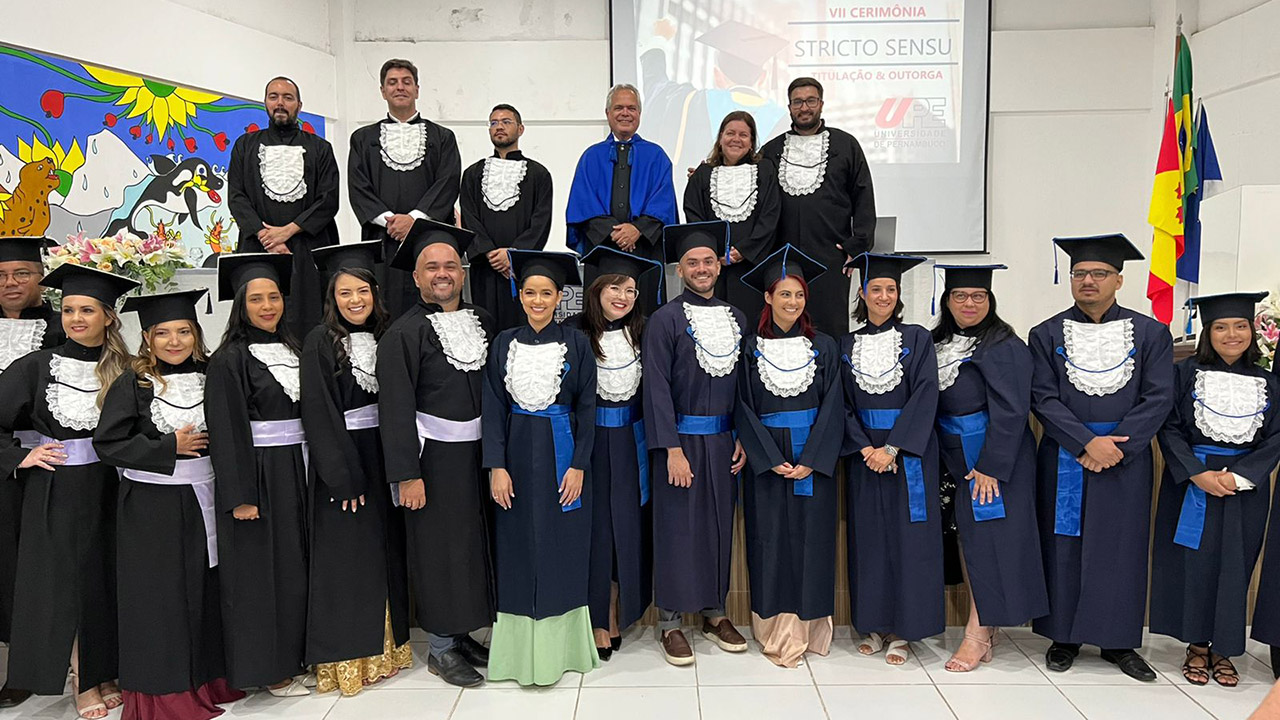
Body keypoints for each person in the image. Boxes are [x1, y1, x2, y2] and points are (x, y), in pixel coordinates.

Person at [94, 288, 246, 720]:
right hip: (151, 506)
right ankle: (163, 695)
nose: (175, 341)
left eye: (184, 332)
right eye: (163, 333)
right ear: (147, 338)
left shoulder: (213, 374)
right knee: (159, 601)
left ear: (197, 335)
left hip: (207, 500)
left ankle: (209, 679)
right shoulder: (135, 384)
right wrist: (168, 446)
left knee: (203, 593)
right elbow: (108, 444)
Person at [1029, 234, 1174, 681]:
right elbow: (1042, 397)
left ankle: (1119, 642)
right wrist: (1084, 443)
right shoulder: (1046, 333)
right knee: (1064, 544)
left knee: (1121, 545)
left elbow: (1158, 398)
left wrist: (1118, 447)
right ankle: (1064, 636)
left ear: (1119, 280)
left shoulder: (1151, 332)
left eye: (1099, 274)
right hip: (1066, 455)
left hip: (1125, 459)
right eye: (1080, 274)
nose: (1088, 281)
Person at [0, 263, 138, 718]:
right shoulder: (35, 367)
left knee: (109, 580)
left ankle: (109, 668)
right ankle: (83, 676)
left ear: (109, 317)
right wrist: (22, 456)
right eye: (69, 310)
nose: (76, 318)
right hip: (59, 491)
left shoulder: (127, 368)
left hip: (113, 486)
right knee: (72, 585)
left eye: (87, 310)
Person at [377, 221, 494, 688]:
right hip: (432, 459)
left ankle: (462, 632)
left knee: (468, 546)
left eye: (450, 265)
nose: (442, 273)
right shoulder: (402, 335)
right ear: (416, 278)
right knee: (437, 551)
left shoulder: (482, 320)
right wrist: (407, 474)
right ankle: (441, 647)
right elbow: (396, 410)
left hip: (479, 456)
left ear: (462, 273)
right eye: (432, 267)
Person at [482, 249, 599, 685]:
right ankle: (516, 655)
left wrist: (579, 465)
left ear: (559, 297)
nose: (537, 300)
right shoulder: (503, 342)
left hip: (562, 456)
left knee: (560, 548)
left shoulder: (577, 343)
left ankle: (561, 650)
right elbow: (493, 407)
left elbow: (587, 408)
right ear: (520, 295)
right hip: (514, 455)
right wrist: (496, 465)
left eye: (545, 293)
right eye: (529, 292)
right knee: (516, 549)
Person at [300, 240, 412, 695]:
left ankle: (387, 649)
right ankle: (348, 659)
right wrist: (342, 476)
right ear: (332, 297)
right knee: (347, 560)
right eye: (345, 293)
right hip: (345, 462)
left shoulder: (389, 334)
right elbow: (320, 415)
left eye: (362, 291)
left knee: (385, 551)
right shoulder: (319, 341)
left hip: (385, 452)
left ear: (375, 292)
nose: (355, 301)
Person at [1152, 292, 1280, 687]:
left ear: (1251, 332)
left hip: (1244, 486)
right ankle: (1197, 646)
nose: (1231, 335)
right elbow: (1168, 426)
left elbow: (1276, 437)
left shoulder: (1270, 382)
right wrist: (1196, 473)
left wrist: (1240, 476)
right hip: (1192, 481)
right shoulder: (1183, 373)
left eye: (1240, 326)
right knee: (1194, 563)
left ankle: (1226, 647)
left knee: (1236, 563)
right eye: (1221, 327)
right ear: (1208, 332)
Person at [929, 264, 1049, 672]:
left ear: (990, 300)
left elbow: (1013, 410)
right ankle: (986, 625)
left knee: (992, 542)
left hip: (991, 459)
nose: (969, 303)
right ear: (947, 301)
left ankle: (978, 634)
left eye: (978, 296)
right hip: (952, 457)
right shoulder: (937, 342)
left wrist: (991, 466)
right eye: (961, 296)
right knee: (970, 541)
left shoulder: (1004, 344)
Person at [204, 253, 311, 696]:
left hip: (296, 468)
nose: (267, 306)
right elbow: (226, 432)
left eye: (273, 297)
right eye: (256, 300)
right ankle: (265, 670)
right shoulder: (229, 359)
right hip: (259, 475)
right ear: (241, 307)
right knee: (256, 577)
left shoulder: (295, 348)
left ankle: (293, 656)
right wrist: (241, 495)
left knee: (292, 568)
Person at [643, 220, 749, 666]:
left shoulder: (737, 317)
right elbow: (657, 388)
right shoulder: (665, 320)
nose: (702, 268)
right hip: (681, 443)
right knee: (677, 528)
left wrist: (742, 435)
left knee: (718, 527)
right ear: (680, 270)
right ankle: (669, 621)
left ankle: (713, 611)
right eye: (693, 262)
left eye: (708, 261)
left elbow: (744, 385)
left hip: (723, 441)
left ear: (720, 265)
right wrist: (671, 449)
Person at [734, 245, 843, 668]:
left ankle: (812, 630)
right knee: (770, 542)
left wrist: (813, 458)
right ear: (767, 298)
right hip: (768, 460)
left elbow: (835, 406)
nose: (792, 302)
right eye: (784, 294)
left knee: (813, 541)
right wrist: (768, 455)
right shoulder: (749, 350)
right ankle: (777, 634)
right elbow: (742, 405)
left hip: (813, 457)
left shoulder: (825, 348)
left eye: (798, 295)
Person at [840, 252, 943, 665]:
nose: (883, 295)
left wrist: (892, 448)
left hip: (907, 454)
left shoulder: (917, 338)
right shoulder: (846, 343)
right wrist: (865, 448)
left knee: (909, 540)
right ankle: (875, 625)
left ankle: (905, 629)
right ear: (862, 294)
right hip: (864, 454)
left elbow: (925, 394)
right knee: (870, 540)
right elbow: (841, 405)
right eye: (875, 288)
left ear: (898, 295)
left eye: (890, 289)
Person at [563, 246, 662, 660]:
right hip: (588, 442)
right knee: (595, 529)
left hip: (632, 441)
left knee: (627, 526)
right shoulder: (572, 331)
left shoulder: (645, 331)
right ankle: (598, 616)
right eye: (615, 288)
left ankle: (619, 609)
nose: (623, 296)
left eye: (632, 290)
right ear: (597, 290)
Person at [760, 77, 876, 336]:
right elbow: (748, 184)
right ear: (789, 107)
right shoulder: (771, 150)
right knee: (785, 329)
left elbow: (864, 197)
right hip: (784, 258)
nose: (804, 108)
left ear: (821, 104)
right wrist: (706, 173)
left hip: (830, 257)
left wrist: (857, 246)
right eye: (797, 102)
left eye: (810, 101)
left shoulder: (847, 145)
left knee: (830, 330)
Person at [0, 236, 63, 709]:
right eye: (1, 276)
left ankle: (29, 667)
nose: (10, 283)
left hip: (45, 465)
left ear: (41, 276)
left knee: (32, 569)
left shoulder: (65, 328)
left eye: (21, 273)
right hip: (4, 459)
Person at [348, 59, 462, 319]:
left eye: (406, 82)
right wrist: (391, 222)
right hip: (383, 239)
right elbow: (358, 186)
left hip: (429, 237)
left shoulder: (443, 137)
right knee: (385, 309)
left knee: (435, 305)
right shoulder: (362, 139)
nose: (400, 87)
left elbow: (448, 182)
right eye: (392, 82)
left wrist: (414, 221)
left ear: (417, 89)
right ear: (382, 91)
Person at [228, 76, 340, 339]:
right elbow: (236, 196)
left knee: (309, 318)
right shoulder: (244, 146)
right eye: (274, 97)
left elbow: (329, 199)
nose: (280, 103)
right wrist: (267, 236)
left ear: (299, 105)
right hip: (259, 248)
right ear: (265, 103)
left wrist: (288, 231)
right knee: (258, 316)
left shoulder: (321, 148)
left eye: (288, 97)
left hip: (307, 249)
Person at [566, 83, 678, 317]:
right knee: (600, 318)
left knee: (646, 319)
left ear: (639, 114)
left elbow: (663, 203)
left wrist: (637, 230)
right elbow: (583, 203)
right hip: (603, 252)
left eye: (632, 108)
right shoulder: (591, 156)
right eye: (618, 107)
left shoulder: (656, 155)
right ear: (608, 113)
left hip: (644, 252)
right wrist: (615, 233)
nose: (625, 113)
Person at [639, 19, 791, 178]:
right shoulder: (783, 120)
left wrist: (659, 39)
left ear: (717, 76)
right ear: (763, 78)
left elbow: (657, 87)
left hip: (700, 200)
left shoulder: (691, 101)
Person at [460, 104, 553, 331]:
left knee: (522, 326)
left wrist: (512, 254)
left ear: (520, 129)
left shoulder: (539, 174)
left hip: (520, 268)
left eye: (506, 122)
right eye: (493, 123)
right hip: (485, 266)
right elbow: (469, 216)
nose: (499, 127)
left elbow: (541, 221)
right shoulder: (472, 174)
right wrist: (490, 253)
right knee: (485, 327)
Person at [683, 110, 781, 322]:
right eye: (730, 133)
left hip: (752, 269)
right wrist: (714, 252)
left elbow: (770, 216)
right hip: (711, 268)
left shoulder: (765, 171)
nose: (736, 139)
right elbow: (694, 215)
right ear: (720, 139)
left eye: (743, 135)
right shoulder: (702, 175)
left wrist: (743, 251)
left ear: (752, 142)